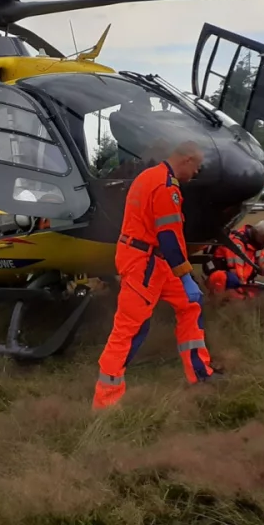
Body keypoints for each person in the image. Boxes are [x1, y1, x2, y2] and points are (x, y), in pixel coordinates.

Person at [92, 140, 214, 410]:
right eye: (196, 167)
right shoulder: (164, 187)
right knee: (129, 329)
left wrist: (184, 278)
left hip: (156, 261)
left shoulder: (151, 176)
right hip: (144, 263)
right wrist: (185, 277)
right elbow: (168, 237)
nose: (195, 174)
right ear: (186, 160)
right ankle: (106, 401)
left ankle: (201, 374)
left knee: (191, 304)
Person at [204, 220, 264, 299]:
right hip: (221, 278)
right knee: (238, 289)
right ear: (257, 233)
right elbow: (236, 272)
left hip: (237, 280)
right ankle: (217, 299)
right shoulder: (237, 244)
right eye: (263, 241)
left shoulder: (256, 243)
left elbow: (261, 264)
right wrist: (246, 291)